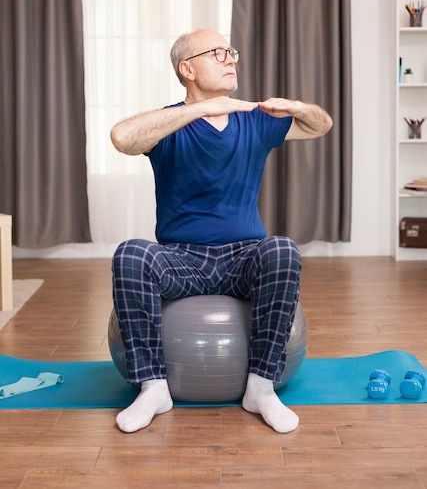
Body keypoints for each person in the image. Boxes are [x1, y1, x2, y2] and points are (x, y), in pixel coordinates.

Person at [110, 28, 333, 434]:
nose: (230, 58)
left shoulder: (256, 122)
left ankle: (261, 388)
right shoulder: (168, 124)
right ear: (187, 68)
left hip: (243, 258)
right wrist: (199, 109)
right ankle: (153, 387)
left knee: (282, 249)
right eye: (217, 52)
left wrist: (297, 106)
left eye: (231, 51)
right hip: (181, 259)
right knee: (130, 253)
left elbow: (321, 125)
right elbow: (122, 137)